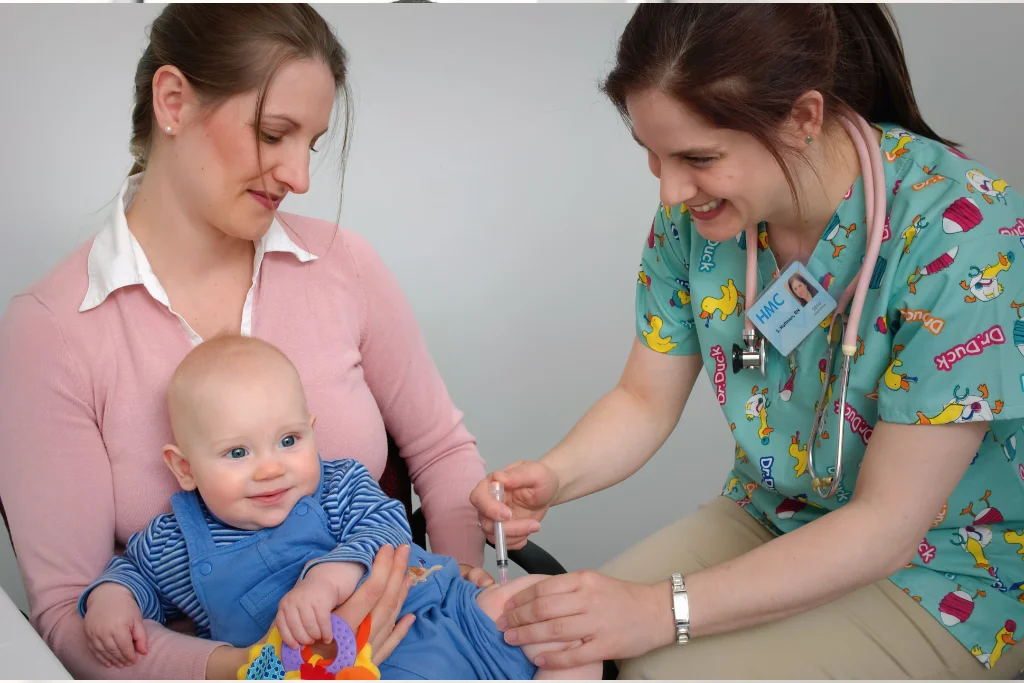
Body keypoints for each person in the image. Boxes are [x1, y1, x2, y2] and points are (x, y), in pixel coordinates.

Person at [472, 4, 1024, 679]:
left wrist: (655, 611)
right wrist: (555, 476)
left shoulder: (960, 236)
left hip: (943, 571)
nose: (673, 191)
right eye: (655, 156)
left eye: (698, 158)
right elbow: (644, 399)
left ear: (802, 118)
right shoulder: (700, 223)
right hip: (772, 514)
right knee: (532, 639)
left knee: (643, 670)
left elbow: (887, 523)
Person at [0, 5, 487, 679]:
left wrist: (457, 590)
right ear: (172, 101)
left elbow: (441, 450)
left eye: (310, 144)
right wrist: (261, 669)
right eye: (273, 133)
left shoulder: (345, 265)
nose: (300, 176)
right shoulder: (52, 332)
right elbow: (66, 612)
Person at [80, 335, 602, 681]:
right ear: (185, 467)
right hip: (354, 669)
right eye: (237, 453)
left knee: (566, 613)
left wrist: (329, 577)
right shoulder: (174, 541)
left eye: (288, 440)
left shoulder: (338, 484)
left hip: (449, 609)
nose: (270, 469)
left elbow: (387, 523)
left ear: (312, 430)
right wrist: (112, 601)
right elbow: (133, 573)